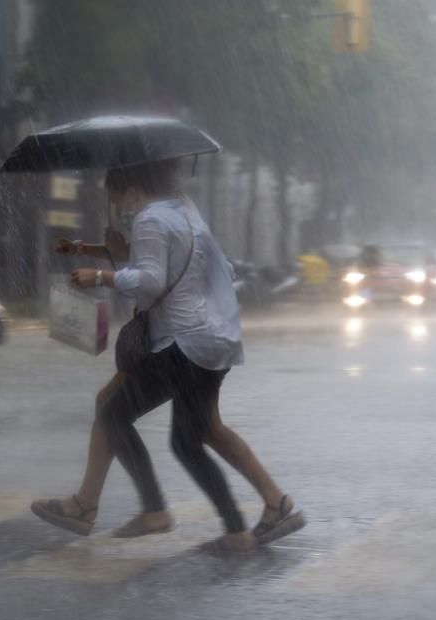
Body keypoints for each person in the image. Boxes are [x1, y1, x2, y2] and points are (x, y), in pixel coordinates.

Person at [33, 160, 303, 552]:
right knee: (194, 436)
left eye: (115, 195)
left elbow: (150, 282)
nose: (118, 205)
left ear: (131, 189)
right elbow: (196, 267)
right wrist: (94, 252)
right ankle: (257, 516)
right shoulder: (185, 210)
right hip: (214, 338)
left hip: (183, 343)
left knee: (112, 414)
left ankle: (140, 510)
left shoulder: (150, 219)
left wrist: (101, 276)